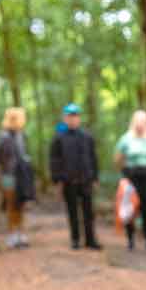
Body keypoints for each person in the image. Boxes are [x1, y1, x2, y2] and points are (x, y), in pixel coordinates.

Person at [50, 103, 100, 250]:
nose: (73, 119)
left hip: (86, 180)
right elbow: (54, 160)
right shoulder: (59, 138)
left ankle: (90, 240)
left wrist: (95, 177)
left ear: (79, 118)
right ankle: (75, 239)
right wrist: (57, 179)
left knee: (88, 212)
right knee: (72, 211)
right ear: (65, 118)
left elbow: (93, 157)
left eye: (75, 116)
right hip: (68, 181)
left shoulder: (87, 136)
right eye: (70, 116)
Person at [114, 109, 146, 252]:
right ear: (133, 122)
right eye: (138, 121)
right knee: (130, 207)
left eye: (143, 121)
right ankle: (130, 239)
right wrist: (125, 175)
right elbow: (118, 158)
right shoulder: (126, 138)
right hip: (131, 176)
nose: (140, 124)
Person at [0, 107, 34, 249]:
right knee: (11, 204)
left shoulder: (22, 136)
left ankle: (21, 233)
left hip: (22, 175)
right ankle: (12, 234)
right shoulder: (4, 137)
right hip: (9, 175)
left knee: (21, 203)